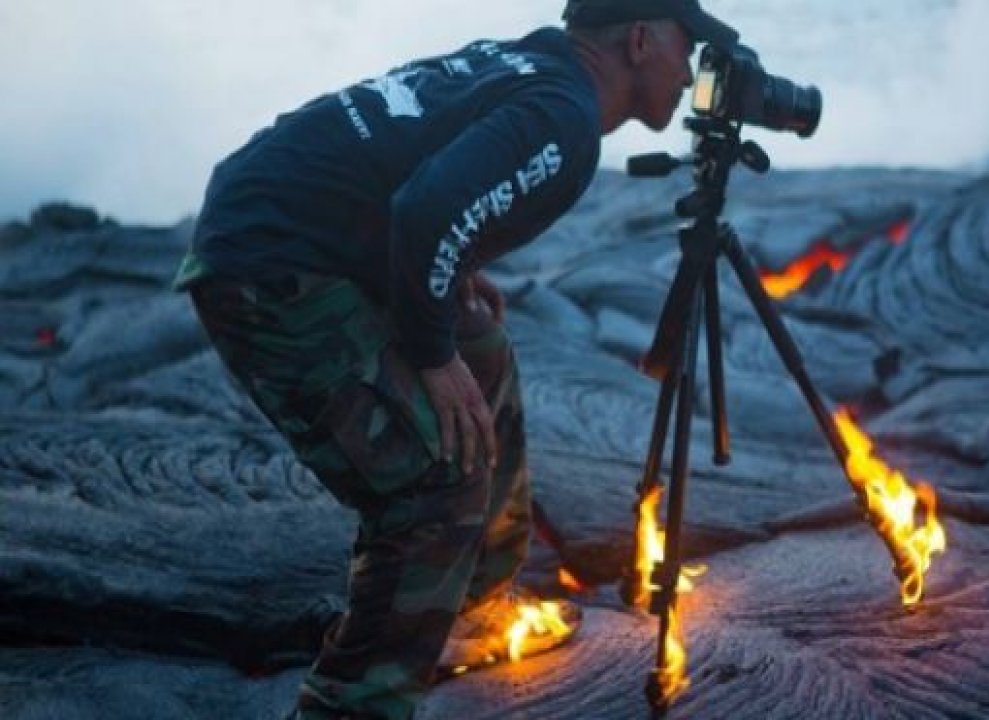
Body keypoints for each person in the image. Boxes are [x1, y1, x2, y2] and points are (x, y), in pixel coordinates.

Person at [173, 1, 738, 718]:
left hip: (277, 219)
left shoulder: (529, 61)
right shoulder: (564, 120)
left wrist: (446, 279)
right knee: (432, 486)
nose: (690, 74)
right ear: (638, 39)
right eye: (685, 49)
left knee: (483, 350)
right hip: (267, 266)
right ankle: (351, 705)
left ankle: (475, 609)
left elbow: (409, 163)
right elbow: (424, 208)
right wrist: (430, 353)